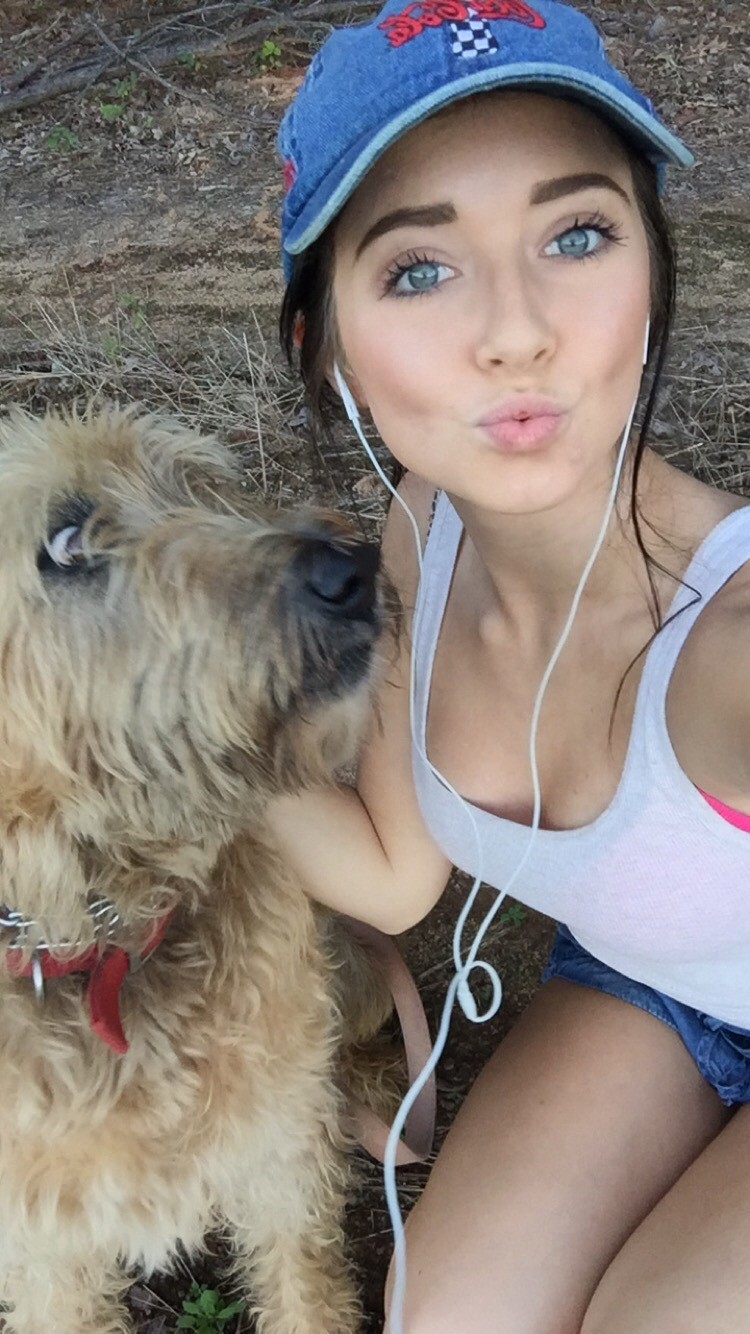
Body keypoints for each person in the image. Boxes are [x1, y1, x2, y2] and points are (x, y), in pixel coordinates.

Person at [269, 1, 750, 1329]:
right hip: (660, 985)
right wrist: (143, 735)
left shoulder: (728, 649)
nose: (517, 330)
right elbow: (390, 866)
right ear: (325, 345)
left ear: (652, 269)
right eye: (420, 268)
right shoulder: (423, 531)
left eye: (577, 235)